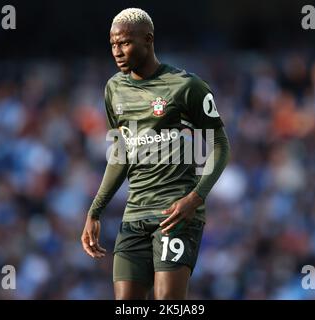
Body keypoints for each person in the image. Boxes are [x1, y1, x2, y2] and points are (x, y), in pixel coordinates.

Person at [81, 8, 230, 300]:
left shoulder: (187, 86)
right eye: (113, 44)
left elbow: (221, 145)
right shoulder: (114, 89)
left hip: (175, 215)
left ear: (148, 40)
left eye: (124, 43)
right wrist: (95, 210)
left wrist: (195, 198)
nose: (117, 51)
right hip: (134, 214)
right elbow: (120, 153)